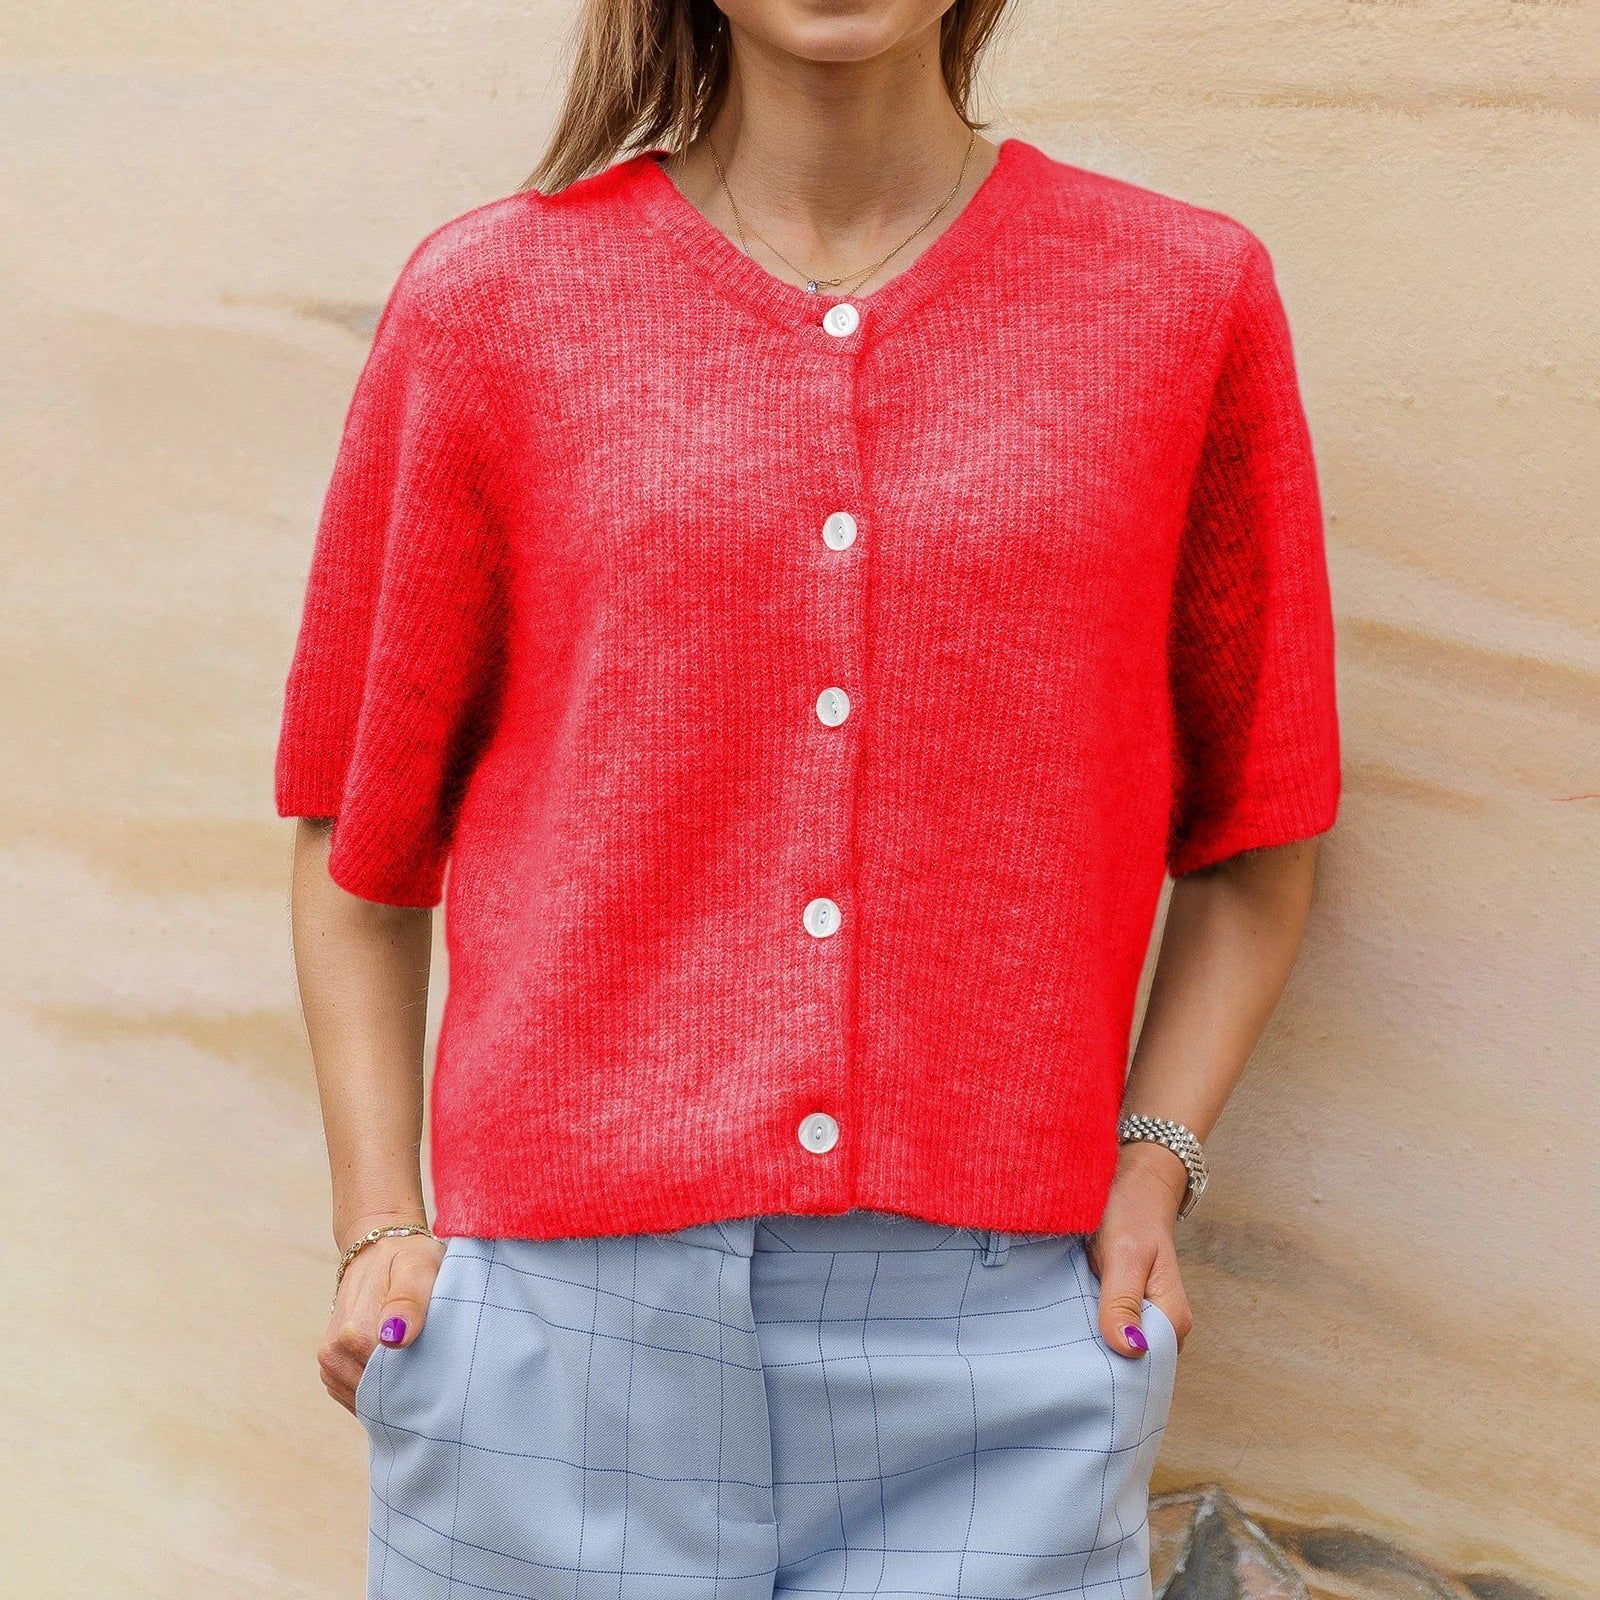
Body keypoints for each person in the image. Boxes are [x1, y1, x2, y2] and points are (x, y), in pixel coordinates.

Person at [274, 0, 1341, 1591]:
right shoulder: (494, 301)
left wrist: (1153, 1163)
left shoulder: (1181, 298)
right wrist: (379, 1227)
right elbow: (356, 831)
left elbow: (1262, 828)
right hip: (557, 1339)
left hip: (1003, 1344)